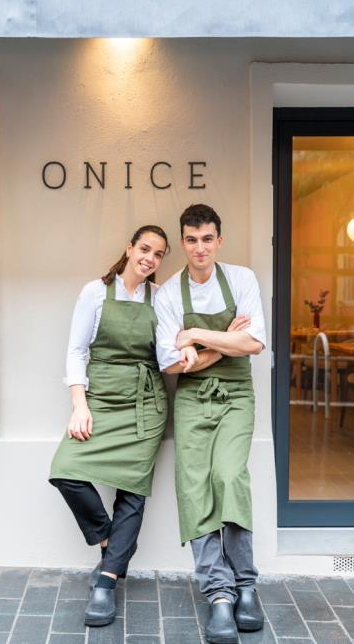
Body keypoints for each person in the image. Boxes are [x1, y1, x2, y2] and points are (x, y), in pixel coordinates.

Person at [154, 204, 266, 644]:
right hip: (192, 400)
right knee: (195, 485)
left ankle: (246, 585)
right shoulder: (167, 294)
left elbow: (255, 343)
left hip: (237, 396)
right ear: (183, 242)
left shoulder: (241, 279)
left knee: (229, 476)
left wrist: (196, 337)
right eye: (191, 239)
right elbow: (172, 364)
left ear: (219, 240)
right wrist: (226, 343)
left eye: (207, 238)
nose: (199, 247)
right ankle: (218, 594)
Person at [49, 225, 169, 628]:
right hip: (100, 401)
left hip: (145, 404)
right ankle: (109, 544)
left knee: (133, 494)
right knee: (66, 470)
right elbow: (76, 351)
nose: (150, 258)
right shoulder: (95, 292)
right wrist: (79, 406)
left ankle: (106, 581)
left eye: (158, 253)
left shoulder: (160, 297)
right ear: (130, 249)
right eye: (145, 249)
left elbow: (169, 348)